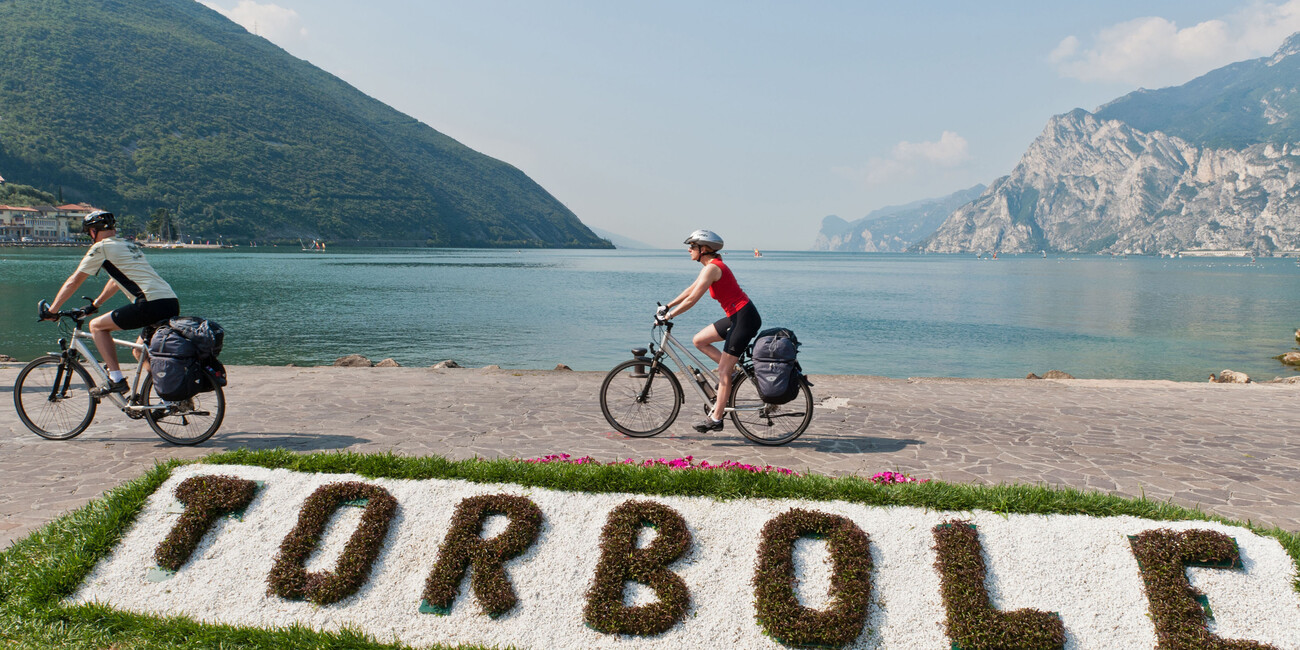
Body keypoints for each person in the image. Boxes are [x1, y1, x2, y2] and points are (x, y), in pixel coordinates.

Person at [43, 210, 179, 397]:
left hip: (149, 303)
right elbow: (116, 280)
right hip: (170, 301)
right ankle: (172, 395)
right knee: (139, 352)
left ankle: (116, 380)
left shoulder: (101, 248)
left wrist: (52, 310)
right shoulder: (128, 245)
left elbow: (74, 281)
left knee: (97, 327)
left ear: (92, 231)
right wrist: (95, 304)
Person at [659, 229, 761, 432]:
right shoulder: (709, 267)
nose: (689, 250)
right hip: (737, 317)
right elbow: (691, 289)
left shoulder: (713, 268)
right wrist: (668, 306)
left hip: (744, 319)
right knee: (699, 340)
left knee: (722, 371)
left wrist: (670, 317)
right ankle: (731, 373)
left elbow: (692, 299)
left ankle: (716, 418)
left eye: (692, 247)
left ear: (703, 249)